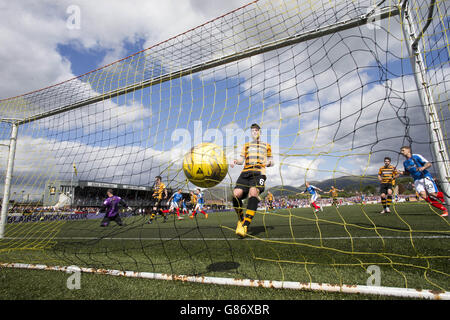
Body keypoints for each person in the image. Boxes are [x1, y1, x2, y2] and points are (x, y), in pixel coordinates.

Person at [231, 123, 273, 237]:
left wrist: (269, 163)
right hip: (245, 173)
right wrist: (236, 161)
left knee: (253, 193)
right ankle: (241, 219)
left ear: (260, 132)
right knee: (236, 194)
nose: (254, 132)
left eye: (256, 130)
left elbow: (271, 160)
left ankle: (245, 226)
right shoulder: (246, 145)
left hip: (259, 173)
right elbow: (241, 159)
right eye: (252, 131)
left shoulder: (267, 145)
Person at [399, 146, 448, 217]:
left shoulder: (416, 156)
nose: (401, 152)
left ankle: (445, 197)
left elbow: (429, 164)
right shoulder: (405, 163)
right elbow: (408, 173)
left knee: (433, 194)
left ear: (408, 150)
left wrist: (423, 167)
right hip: (416, 180)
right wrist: (400, 172)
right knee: (423, 195)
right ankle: (445, 210)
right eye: (401, 151)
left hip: (425, 177)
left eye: (403, 150)